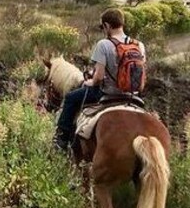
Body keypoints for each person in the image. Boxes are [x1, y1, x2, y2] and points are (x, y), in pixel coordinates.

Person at [54, 8, 146, 151]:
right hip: (132, 95)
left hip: (107, 93)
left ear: (107, 26)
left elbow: (98, 78)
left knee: (71, 98)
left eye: (103, 27)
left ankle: (61, 139)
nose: (104, 30)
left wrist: (89, 81)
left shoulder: (103, 44)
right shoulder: (139, 45)